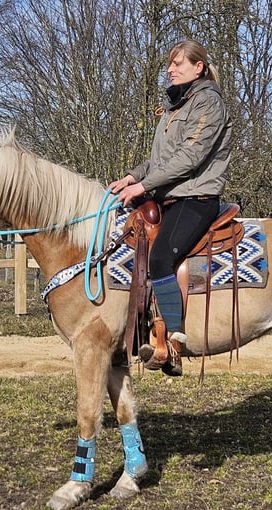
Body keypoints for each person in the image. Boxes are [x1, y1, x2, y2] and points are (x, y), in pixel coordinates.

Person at [109, 39, 232, 376]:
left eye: (179, 63)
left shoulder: (208, 103)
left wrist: (143, 186)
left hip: (196, 198)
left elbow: (190, 158)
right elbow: (160, 159)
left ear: (199, 67)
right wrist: (131, 176)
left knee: (162, 256)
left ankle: (172, 342)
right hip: (170, 195)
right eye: (170, 63)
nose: (170, 69)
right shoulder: (176, 106)